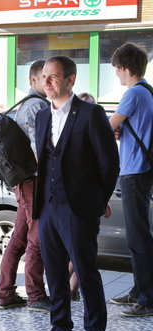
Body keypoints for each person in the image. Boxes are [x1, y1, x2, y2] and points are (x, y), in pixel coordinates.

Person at [30, 56, 119, 331]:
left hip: (79, 209)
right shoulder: (42, 117)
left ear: (70, 79)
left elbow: (110, 165)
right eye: (44, 77)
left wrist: (97, 201)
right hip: (48, 207)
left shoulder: (91, 114)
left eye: (53, 77)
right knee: (53, 273)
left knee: (85, 273)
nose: (47, 82)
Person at [0, 60, 51, 313]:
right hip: (34, 182)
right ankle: (36, 295)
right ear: (33, 80)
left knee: (18, 238)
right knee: (35, 240)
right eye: (44, 77)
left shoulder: (24, 105)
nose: (48, 81)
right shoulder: (38, 106)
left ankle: (6, 292)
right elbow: (42, 150)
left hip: (23, 181)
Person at [109, 42, 153, 317]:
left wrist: (114, 127)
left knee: (138, 237)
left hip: (134, 171)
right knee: (139, 236)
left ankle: (146, 298)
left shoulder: (133, 94)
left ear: (125, 68)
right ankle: (138, 291)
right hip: (143, 169)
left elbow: (108, 126)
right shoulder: (148, 92)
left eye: (116, 69)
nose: (116, 74)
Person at [70, 92, 96, 302]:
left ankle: (71, 288)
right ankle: (68, 288)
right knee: (76, 249)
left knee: (82, 249)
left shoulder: (95, 136)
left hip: (88, 201)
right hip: (71, 201)